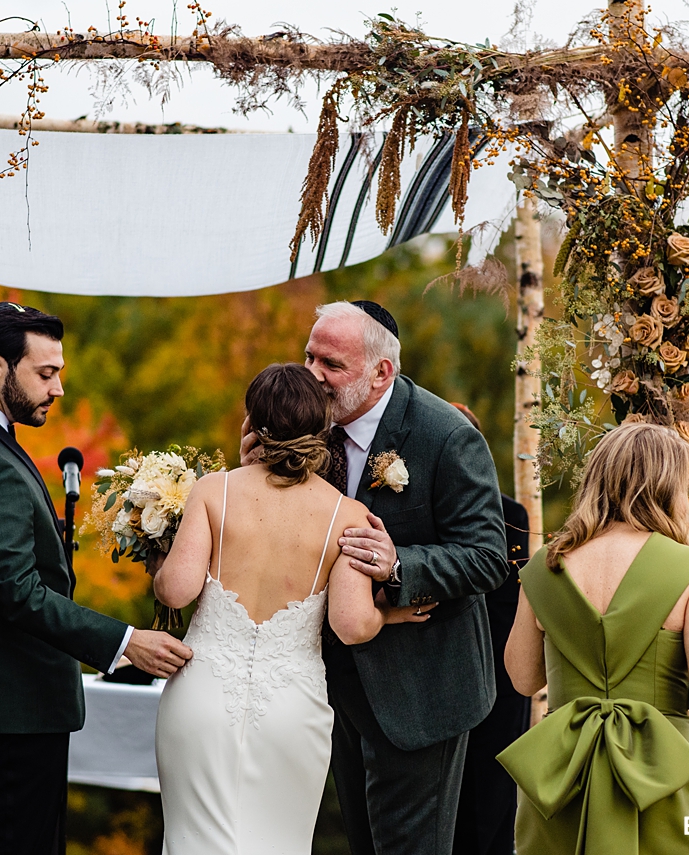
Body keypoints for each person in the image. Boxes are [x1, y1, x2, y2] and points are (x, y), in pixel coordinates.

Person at [0, 302, 193, 855]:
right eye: (45, 373)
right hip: (5, 709)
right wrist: (125, 642)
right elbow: (16, 591)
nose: (58, 388)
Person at [240, 300, 509, 855]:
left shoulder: (446, 435)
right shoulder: (298, 426)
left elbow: (488, 556)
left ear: (381, 372)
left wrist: (400, 566)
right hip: (325, 686)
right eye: (308, 355)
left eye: (331, 364)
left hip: (419, 690)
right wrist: (254, 480)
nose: (312, 374)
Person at [152, 362, 430, 853]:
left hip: (202, 697)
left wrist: (160, 557)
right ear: (322, 426)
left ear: (251, 422)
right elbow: (350, 624)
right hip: (290, 706)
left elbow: (175, 591)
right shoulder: (347, 514)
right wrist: (390, 613)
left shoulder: (214, 490)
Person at [499, 422, 689, 855]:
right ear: (666, 488)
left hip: (561, 771)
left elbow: (521, 676)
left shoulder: (543, 567)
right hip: (656, 769)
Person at [448, 402, 531, 855]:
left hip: (498, 667)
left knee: (492, 797)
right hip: (453, 668)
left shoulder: (510, 515)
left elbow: (507, 602)